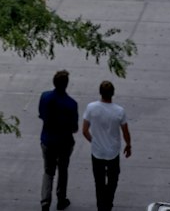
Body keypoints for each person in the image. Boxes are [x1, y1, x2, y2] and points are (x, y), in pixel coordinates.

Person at [82, 81, 131, 211]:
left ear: (100, 92)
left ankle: (101, 206)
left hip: (97, 152)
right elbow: (125, 131)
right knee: (113, 180)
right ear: (113, 93)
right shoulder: (119, 111)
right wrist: (128, 145)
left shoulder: (91, 107)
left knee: (99, 182)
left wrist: (94, 142)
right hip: (112, 152)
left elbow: (85, 131)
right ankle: (108, 203)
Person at [39, 68, 78, 211]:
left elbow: (42, 115)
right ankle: (61, 199)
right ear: (66, 84)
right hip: (64, 142)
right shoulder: (71, 104)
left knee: (48, 171)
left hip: (48, 140)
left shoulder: (45, 97)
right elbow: (74, 128)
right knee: (63, 170)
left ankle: (45, 201)